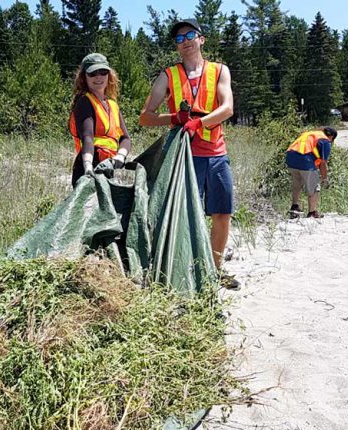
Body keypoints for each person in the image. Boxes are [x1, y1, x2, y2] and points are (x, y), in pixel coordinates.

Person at [138, 18, 238, 290]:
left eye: (190, 35)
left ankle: (214, 270)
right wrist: (174, 118)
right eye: (179, 39)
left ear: (201, 39)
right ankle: (182, 271)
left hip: (216, 153)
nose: (185, 42)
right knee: (182, 216)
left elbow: (227, 108)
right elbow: (145, 118)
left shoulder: (219, 71)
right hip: (183, 158)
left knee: (222, 213)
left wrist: (199, 122)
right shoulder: (168, 75)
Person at [69, 53, 132, 187]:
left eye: (103, 72)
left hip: (113, 166)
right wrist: (87, 166)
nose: (98, 77)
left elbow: (125, 138)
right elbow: (88, 138)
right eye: (92, 73)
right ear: (84, 77)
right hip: (91, 165)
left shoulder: (113, 105)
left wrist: (120, 156)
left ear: (109, 75)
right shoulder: (84, 102)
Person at [285, 127, 337, 219]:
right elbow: (323, 163)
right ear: (331, 137)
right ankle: (312, 212)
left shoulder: (309, 134)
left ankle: (294, 207)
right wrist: (325, 179)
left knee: (297, 184)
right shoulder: (325, 141)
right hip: (306, 160)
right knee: (314, 187)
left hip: (290, 158)